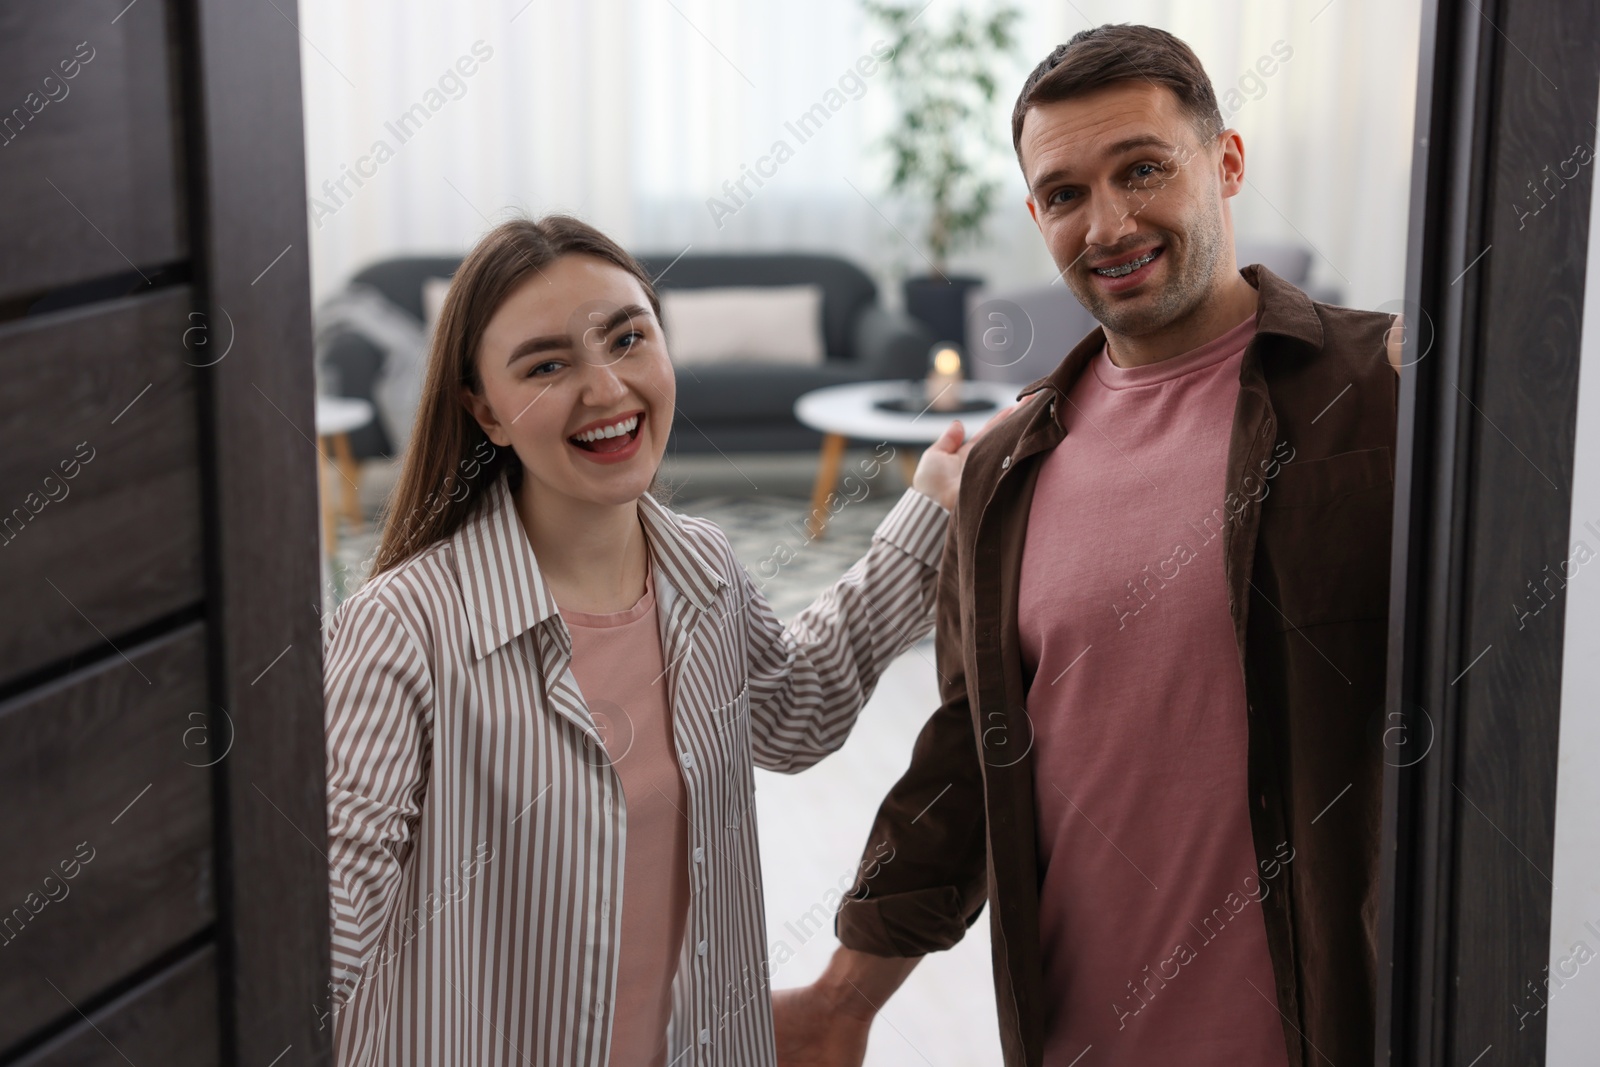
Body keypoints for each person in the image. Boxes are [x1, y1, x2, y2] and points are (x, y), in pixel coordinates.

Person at [773, 24, 1403, 1067]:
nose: (1107, 223)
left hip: (1335, 1027)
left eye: (1142, 169)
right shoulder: (1003, 467)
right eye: (1064, 193)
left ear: (1226, 162)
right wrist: (847, 993)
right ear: (1034, 215)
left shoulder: (1378, 387)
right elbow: (970, 754)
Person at [321, 215, 996, 1066]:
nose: (606, 389)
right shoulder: (403, 627)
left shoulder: (700, 569)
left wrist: (932, 503)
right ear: (483, 409)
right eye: (548, 364)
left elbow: (796, 709)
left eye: (627, 338)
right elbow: (324, 940)